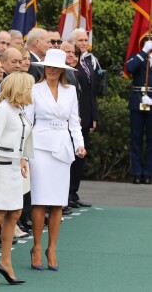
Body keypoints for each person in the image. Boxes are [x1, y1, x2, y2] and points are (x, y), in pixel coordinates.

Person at [25, 49, 86, 271]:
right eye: (48, 67)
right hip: (39, 148)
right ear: (44, 68)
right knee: (40, 199)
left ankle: (52, 248)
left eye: (55, 67)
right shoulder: (34, 90)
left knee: (58, 201)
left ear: (62, 70)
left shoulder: (70, 92)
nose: (51, 70)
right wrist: (24, 153)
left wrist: (80, 144)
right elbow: (28, 122)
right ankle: (38, 247)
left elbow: (74, 122)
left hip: (63, 149)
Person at [0, 72, 34, 287]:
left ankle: (6, 262)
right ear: (20, 88)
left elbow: (23, 137)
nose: (31, 92)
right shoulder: (2, 111)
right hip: (0, 170)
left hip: (14, 169)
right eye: (28, 87)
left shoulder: (20, 110)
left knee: (15, 213)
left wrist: (22, 158)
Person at [68, 28, 97, 208]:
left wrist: (94, 116)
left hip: (86, 118)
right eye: (80, 40)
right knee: (72, 158)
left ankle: (74, 193)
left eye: (86, 40)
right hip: (74, 119)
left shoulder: (87, 62)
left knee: (80, 159)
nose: (84, 43)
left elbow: (91, 92)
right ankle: (68, 194)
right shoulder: (71, 66)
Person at [126, 36, 152, 184]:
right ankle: (136, 172)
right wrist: (143, 52)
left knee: (151, 140)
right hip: (138, 100)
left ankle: (148, 173)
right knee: (136, 138)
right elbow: (130, 68)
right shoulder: (137, 56)